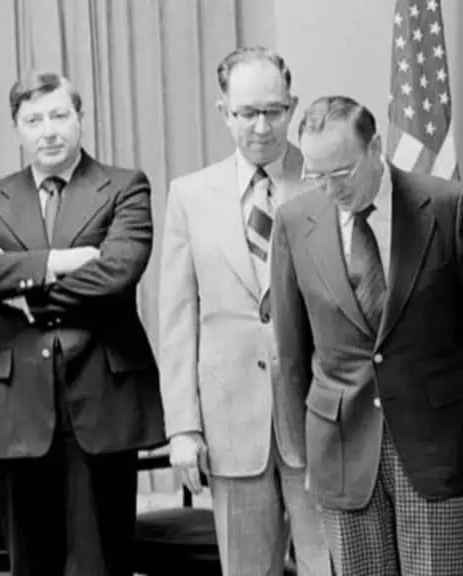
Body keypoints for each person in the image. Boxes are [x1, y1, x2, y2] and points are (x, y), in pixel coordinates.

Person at [271, 95, 463, 576]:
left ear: (375, 147)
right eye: (317, 175)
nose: (331, 188)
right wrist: (304, 454)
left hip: (434, 445)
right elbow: (292, 353)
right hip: (341, 445)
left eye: (342, 172)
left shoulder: (446, 205)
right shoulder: (294, 224)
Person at [0, 71, 165, 575]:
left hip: (102, 394)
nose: (48, 130)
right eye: (33, 120)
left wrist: (19, 287)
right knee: (29, 563)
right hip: (16, 401)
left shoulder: (125, 186)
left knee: (100, 561)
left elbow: (118, 272)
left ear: (80, 118)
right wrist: (56, 263)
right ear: (16, 129)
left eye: (59, 115)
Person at [158, 47, 325, 575]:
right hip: (231, 425)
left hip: (321, 421)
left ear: (293, 106)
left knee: (334, 566)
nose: (261, 127)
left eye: (274, 111)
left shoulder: (325, 179)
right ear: (223, 111)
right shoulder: (189, 195)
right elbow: (178, 319)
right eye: (247, 113)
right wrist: (183, 427)